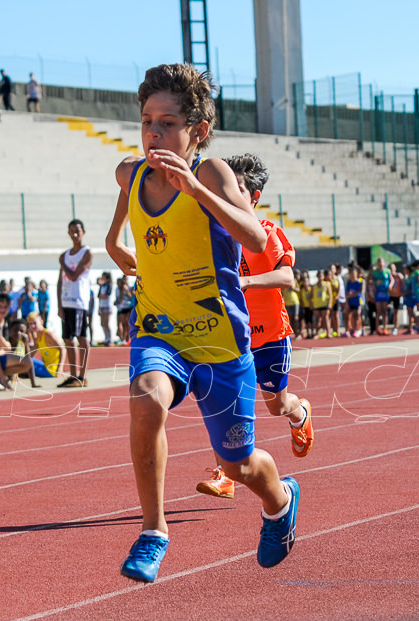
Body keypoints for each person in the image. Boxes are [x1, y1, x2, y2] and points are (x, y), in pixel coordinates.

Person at [104, 63, 299, 583]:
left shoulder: (212, 173)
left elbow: (254, 240)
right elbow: (122, 181)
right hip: (158, 328)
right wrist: (112, 239)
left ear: (198, 132)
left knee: (237, 467)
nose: (154, 133)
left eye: (168, 124)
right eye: (147, 121)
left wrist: (195, 190)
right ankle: (154, 531)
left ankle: (280, 499)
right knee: (146, 399)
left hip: (219, 342)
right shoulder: (134, 170)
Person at [196, 152, 313, 500]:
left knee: (275, 406)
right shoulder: (216, 234)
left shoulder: (268, 232)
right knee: (228, 405)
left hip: (272, 336)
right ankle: (226, 473)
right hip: (232, 336)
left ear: (254, 197)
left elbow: (287, 277)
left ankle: (300, 412)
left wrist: (245, 284)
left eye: (238, 188)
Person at [57, 218, 93, 387]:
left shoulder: (86, 252)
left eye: (78, 231)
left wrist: (62, 263)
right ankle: (73, 376)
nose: (75, 234)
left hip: (79, 301)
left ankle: (82, 375)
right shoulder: (65, 255)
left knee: (81, 337)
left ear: (83, 232)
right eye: (72, 231)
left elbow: (74, 275)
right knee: (68, 339)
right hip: (66, 302)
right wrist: (59, 305)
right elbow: (61, 281)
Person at [25, 311, 63, 380]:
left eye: (34, 323)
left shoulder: (48, 334)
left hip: (52, 371)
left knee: (26, 361)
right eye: (30, 324)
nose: (32, 326)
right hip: (46, 367)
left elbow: (63, 349)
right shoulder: (38, 337)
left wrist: (60, 368)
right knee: (23, 360)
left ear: (41, 322)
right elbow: (30, 354)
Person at [97, 271, 114, 346]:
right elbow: (99, 296)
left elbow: (106, 296)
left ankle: (110, 339)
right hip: (101, 306)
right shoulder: (102, 286)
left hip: (107, 306)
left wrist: (102, 296)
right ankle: (106, 338)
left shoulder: (109, 285)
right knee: (102, 323)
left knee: (106, 323)